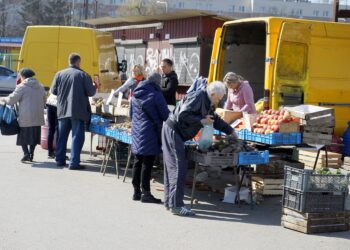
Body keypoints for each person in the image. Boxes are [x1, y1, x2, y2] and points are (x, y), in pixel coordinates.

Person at [162, 81, 237, 216]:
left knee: (173, 168)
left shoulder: (207, 101)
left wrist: (230, 130)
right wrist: (202, 120)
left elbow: (215, 119)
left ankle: (170, 203)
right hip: (173, 131)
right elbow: (183, 115)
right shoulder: (198, 97)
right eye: (218, 98)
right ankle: (177, 206)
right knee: (178, 168)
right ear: (213, 94)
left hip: (175, 132)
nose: (218, 102)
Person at [51, 53, 97, 170]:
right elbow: (91, 92)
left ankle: (60, 160)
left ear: (69, 61)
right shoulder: (84, 75)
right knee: (77, 137)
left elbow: (54, 91)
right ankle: (73, 163)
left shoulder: (59, 74)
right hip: (78, 111)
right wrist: (95, 85)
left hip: (62, 109)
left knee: (62, 136)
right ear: (78, 62)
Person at [130, 73, 169, 203]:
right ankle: (146, 193)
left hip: (137, 131)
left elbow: (131, 114)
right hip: (150, 131)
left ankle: (136, 192)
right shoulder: (156, 95)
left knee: (138, 160)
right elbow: (165, 115)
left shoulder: (135, 94)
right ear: (157, 83)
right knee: (147, 161)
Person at [0, 68, 46, 162]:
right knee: (34, 136)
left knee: (22, 136)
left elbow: (11, 100)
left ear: (23, 76)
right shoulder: (41, 86)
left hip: (26, 117)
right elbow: (44, 100)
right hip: (38, 116)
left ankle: (26, 154)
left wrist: (3, 99)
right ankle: (31, 153)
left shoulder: (22, 86)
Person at [46, 92, 58, 158]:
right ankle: (58, 152)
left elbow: (52, 90)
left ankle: (50, 152)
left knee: (51, 129)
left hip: (50, 103)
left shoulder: (55, 81)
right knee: (59, 129)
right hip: (58, 104)